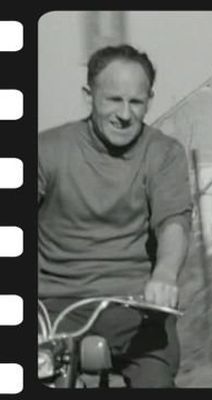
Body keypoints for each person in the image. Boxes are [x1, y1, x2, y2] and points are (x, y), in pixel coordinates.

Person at [38, 44, 193, 388]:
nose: (124, 114)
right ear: (88, 96)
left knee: (156, 379)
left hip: (133, 306)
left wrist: (165, 274)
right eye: (113, 100)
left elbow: (173, 222)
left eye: (136, 102)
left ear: (149, 100)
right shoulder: (47, 150)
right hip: (52, 307)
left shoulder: (163, 153)